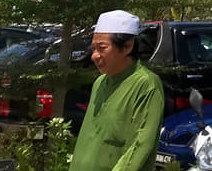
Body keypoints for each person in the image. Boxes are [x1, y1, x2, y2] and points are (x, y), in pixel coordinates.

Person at [69, 10, 165, 171]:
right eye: (93, 48)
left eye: (102, 48)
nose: (94, 56)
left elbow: (141, 145)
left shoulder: (146, 84)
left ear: (127, 46)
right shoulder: (100, 82)